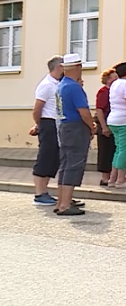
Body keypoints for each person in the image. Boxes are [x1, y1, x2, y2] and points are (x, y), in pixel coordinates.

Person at [55, 54, 94, 216]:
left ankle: (61, 202)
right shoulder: (74, 87)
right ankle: (65, 204)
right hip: (76, 127)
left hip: (65, 125)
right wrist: (91, 126)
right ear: (78, 67)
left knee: (66, 164)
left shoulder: (61, 85)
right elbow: (83, 112)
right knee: (74, 164)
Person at [29, 55, 64, 206]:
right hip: (48, 122)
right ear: (59, 67)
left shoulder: (58, 83)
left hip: (57, 123)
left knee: (53, 158)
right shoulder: (46, 85)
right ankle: (39, 193)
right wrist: (40, 125)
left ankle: (45, 191)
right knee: (45, 157)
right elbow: (37, 109)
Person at [106, 62, 126, 188]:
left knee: (118, 149)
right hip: (124, 119)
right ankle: (120, 179)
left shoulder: (114, 84)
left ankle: (112, 178)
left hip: (113, 119)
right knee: (124, 150)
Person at [94, 69, 117, 187]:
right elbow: (99, 110)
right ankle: (105, 177)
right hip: (105, 124)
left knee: (113, 150)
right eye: (114, 77)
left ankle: (113, 175)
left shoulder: (114, 91)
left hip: (113, 123)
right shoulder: (103, 92)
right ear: (108, 79)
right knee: (105, 151)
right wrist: (104, 126)